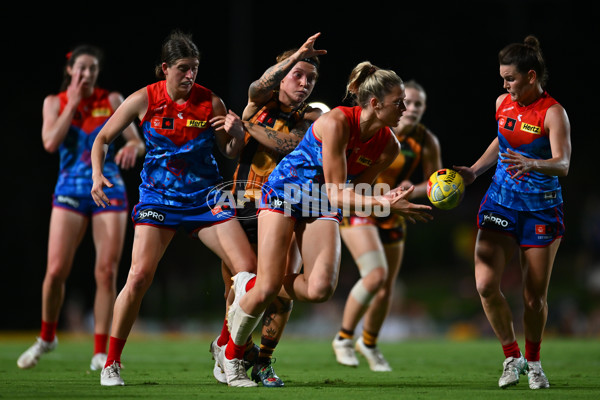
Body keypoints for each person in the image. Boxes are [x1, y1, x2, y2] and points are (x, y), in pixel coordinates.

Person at [218, 61, 433, 387]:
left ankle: (249, 284)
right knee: (267, 289)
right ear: (375, 104)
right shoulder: (336, 122)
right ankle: (232, 358)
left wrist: (388, 203)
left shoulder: (390, 146)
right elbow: (338, 188)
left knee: (319, 288)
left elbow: (360, 188)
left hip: (321, 203)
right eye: (398, 102)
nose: (405, 108)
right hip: (285, 192)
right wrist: (383, 203)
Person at [90, 30, 257, 386]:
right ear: (164, 68)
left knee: (247, 272)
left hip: (206, 198)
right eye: (183, 68)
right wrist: (95, 176)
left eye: (194, 68)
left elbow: (229, 151)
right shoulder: (143, 99)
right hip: (158, 199)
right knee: (138, 278)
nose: (190, 75)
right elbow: (103, 138)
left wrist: (237, 132)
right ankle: (112, 362)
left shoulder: (210, 101)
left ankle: (224, 347)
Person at [17, 45, 145, 371]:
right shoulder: (53, 102)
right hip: (70, 190)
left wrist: (132, 147)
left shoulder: (112, 100)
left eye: (92, 69)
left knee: (106, 271)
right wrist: (72, 104)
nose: (87, 74)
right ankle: (47, 337)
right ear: (70, 70)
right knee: (56, 270)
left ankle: (100, 350)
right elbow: (49, 142)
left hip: (108, 188)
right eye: (81, 69)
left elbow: (137, 141)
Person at [454, 35, 571, 390]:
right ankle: (511, 357)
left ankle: (534, 364)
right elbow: (502, 141)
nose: (505, 85)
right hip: (500, 202)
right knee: (486, 285)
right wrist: (475, 171)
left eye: (510, 78)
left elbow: (563, 163)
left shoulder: (553, 113)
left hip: (541, 211)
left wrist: (533, 163)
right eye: (503, 78)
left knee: (534, 298)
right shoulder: (502, 103)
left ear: (531, 76)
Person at [210, 33, 326, 387]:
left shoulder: (314, 117)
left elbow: (291, 145)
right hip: (240, 202)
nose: (304, 83)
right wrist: (237, 130)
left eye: (311, 79)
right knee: (240, 289)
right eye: (297, 75)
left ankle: (261, 360)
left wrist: (245, 127)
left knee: (276, 290)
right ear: (283, 74)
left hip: (283, 208)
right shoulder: (258, 103)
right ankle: (228, 347)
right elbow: (257, 88)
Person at [332, 80, 442, 371]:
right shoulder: (377, 132)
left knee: (386, 287)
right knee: (375, 275)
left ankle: (368, 343)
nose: (412, 108)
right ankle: (344, 337)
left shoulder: (426, 141)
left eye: (418, 104)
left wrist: (412, 190)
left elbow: (435, 185)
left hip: (395, 213)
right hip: (363, 208)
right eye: (407, 102)